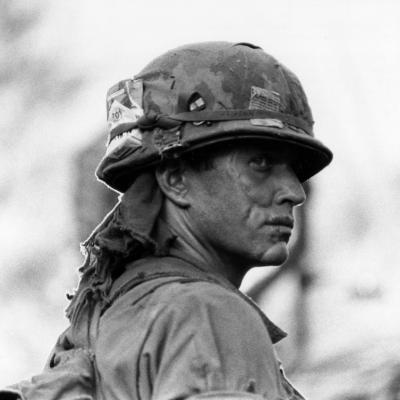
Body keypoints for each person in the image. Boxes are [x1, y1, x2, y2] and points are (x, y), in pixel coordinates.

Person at [1, 41, 332, 400]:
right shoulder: (207, 314)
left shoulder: (106, 321)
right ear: (175, 179)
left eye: (295, 170)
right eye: (262, 163)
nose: (294, 192)